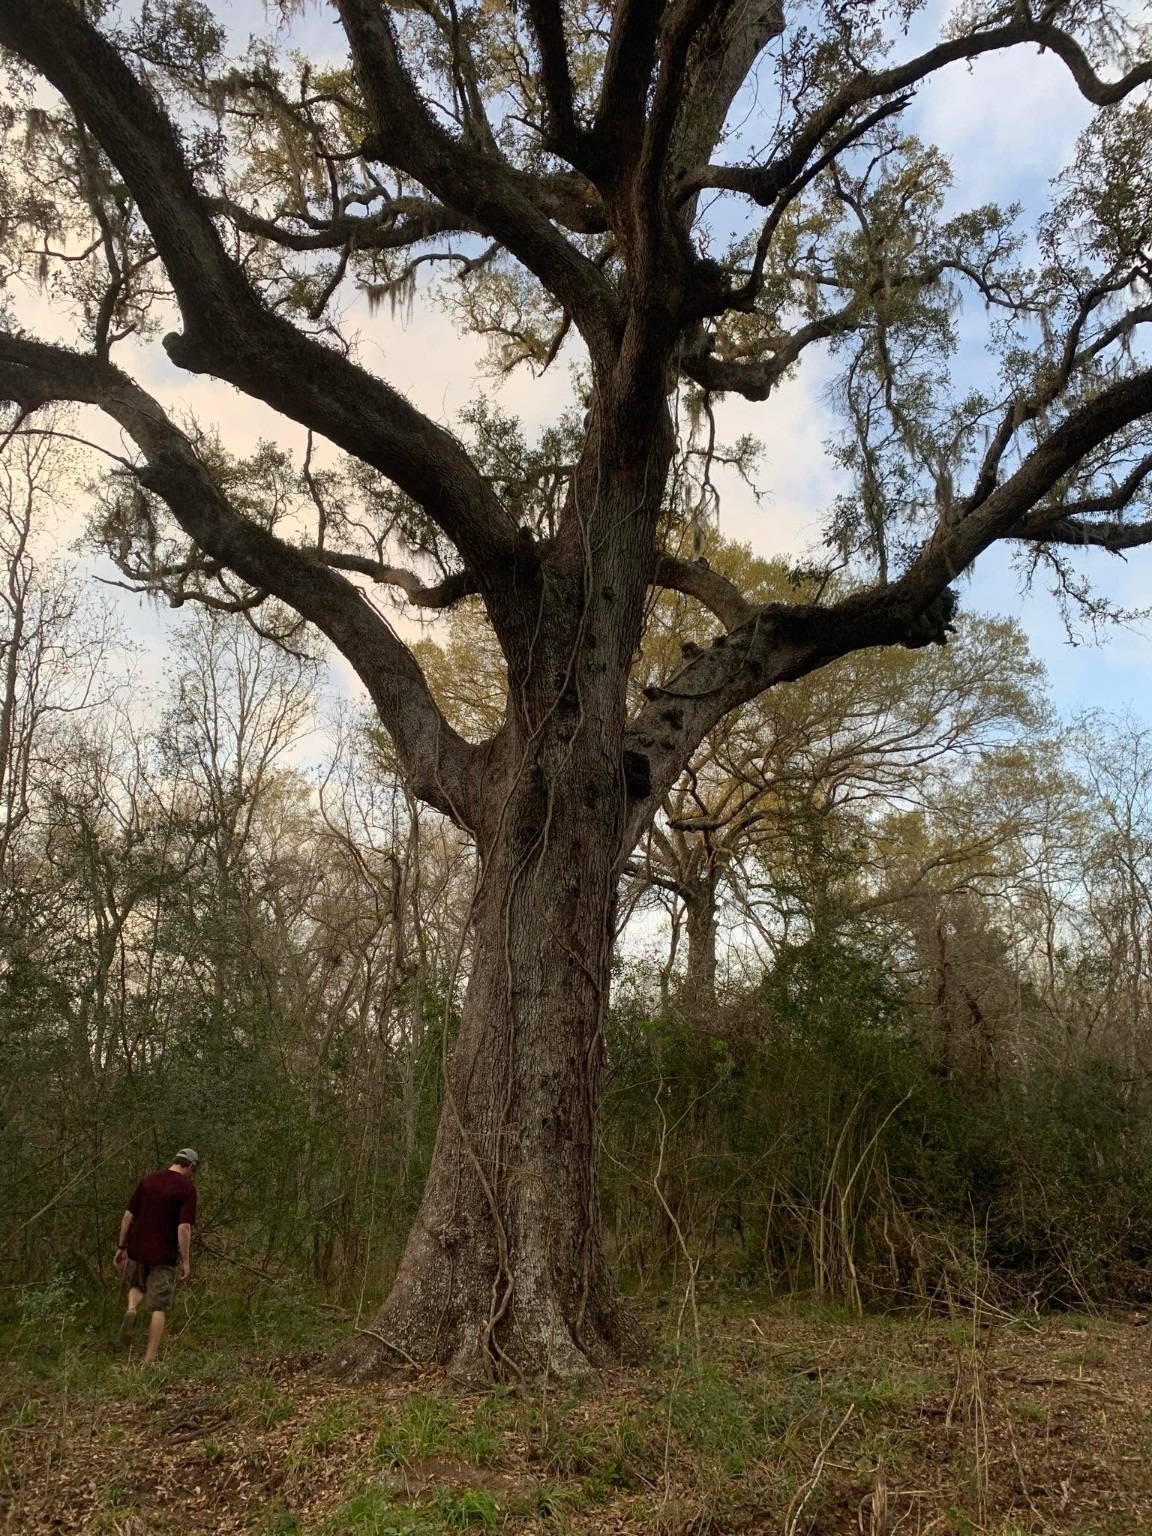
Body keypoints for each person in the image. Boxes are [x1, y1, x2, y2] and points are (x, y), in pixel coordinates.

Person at [113, 1148, 199, 1365]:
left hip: (138, 1247)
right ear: (191, 1166)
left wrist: (122, 1246)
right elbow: (184, 1228)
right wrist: (186, 1260)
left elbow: (127, 1216)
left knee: (137, 1287)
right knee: (158, 1307)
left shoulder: (148, 1180)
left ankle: (132, 1309)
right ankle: (149, 1361)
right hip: (163, 1253)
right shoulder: (186, 1189)